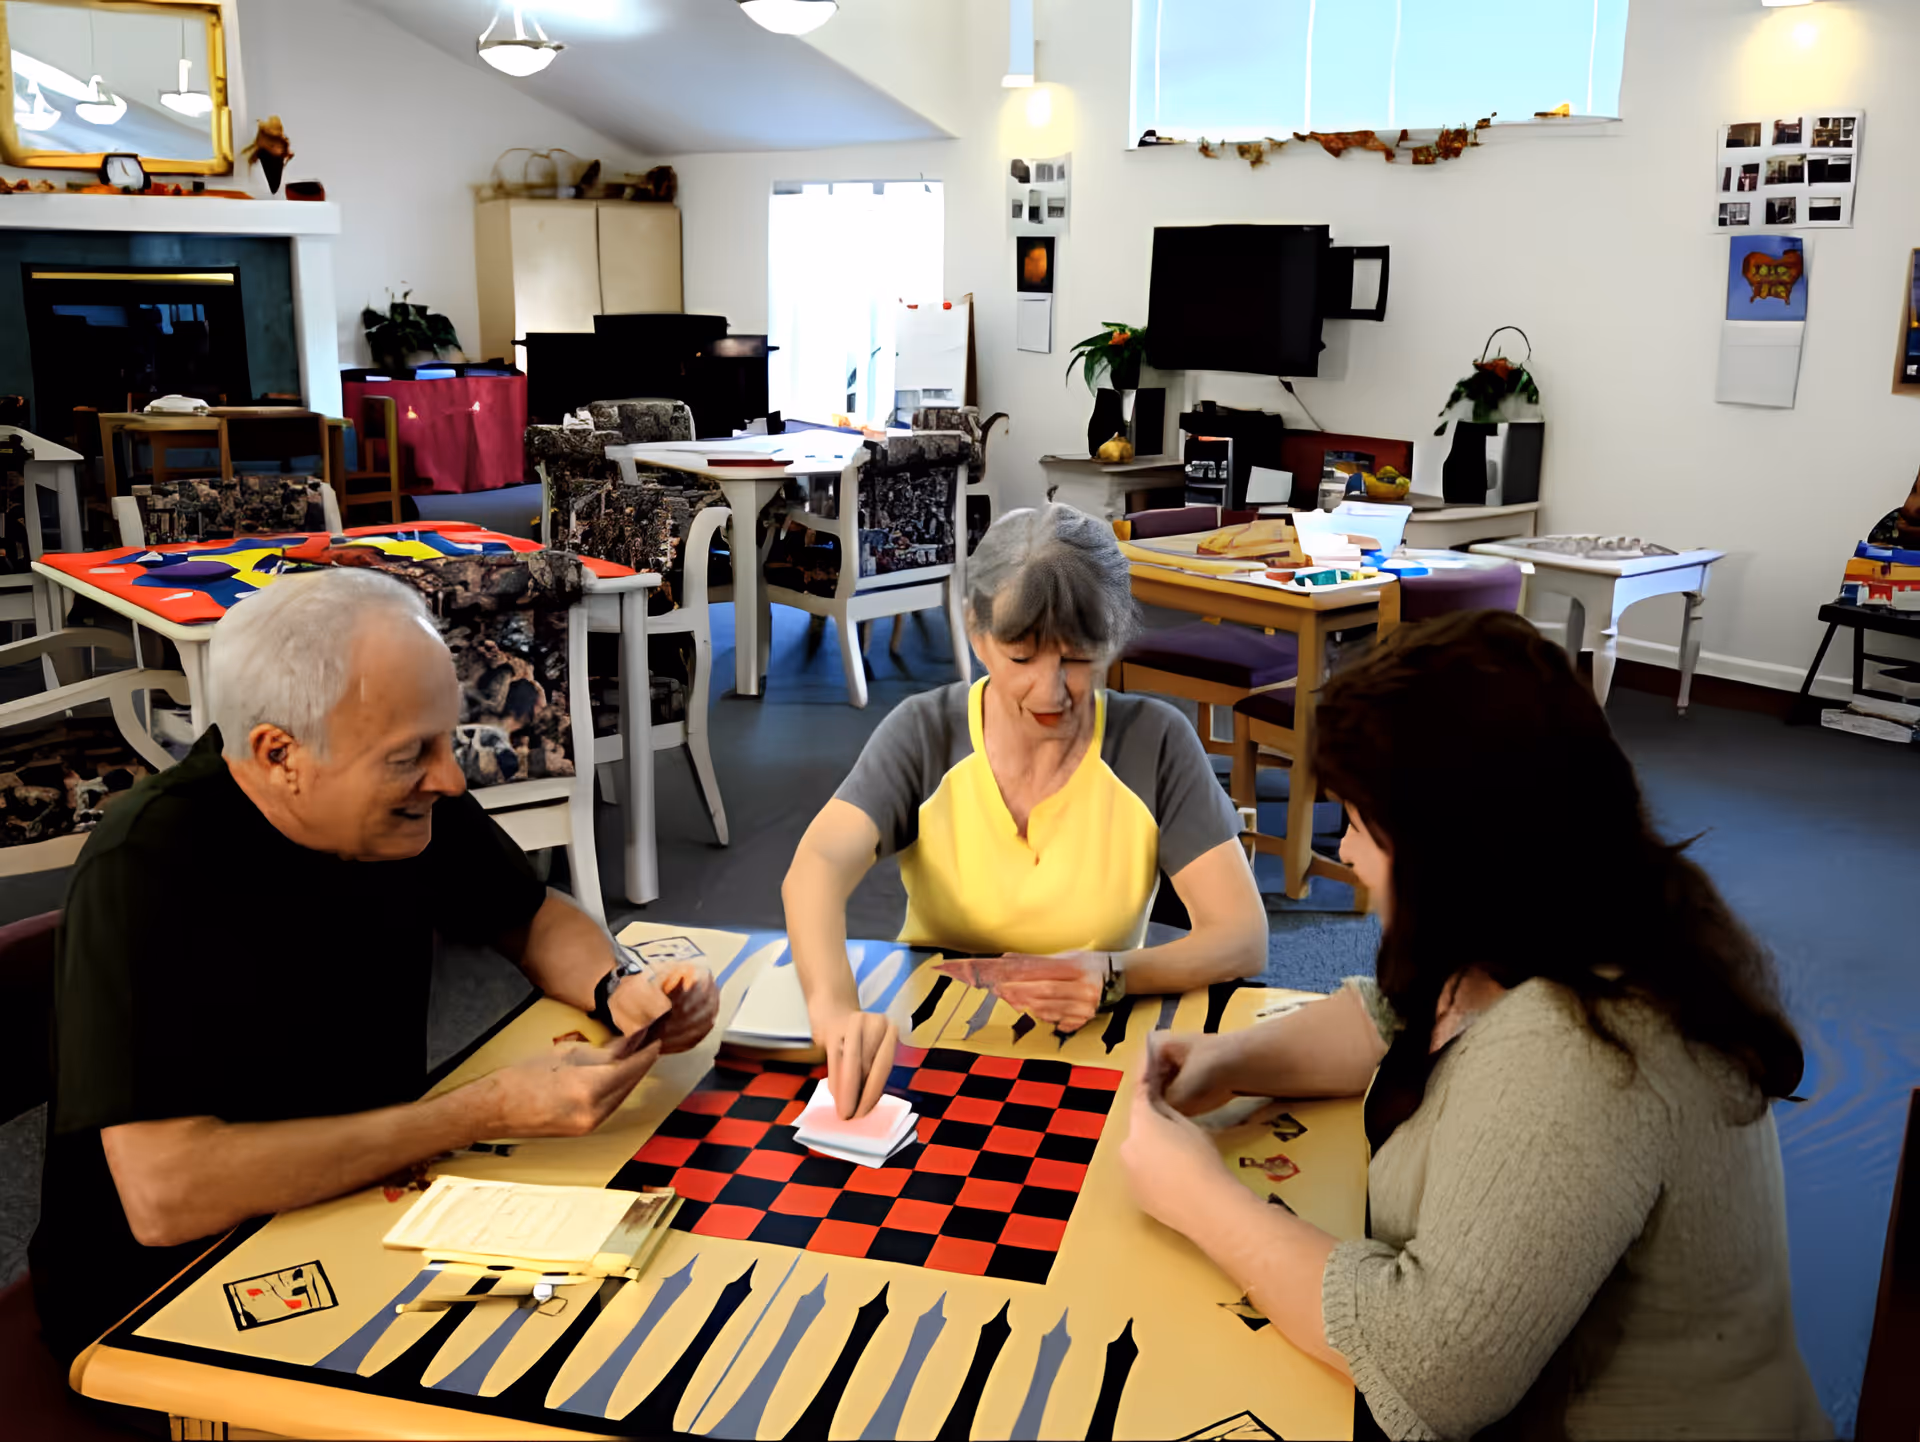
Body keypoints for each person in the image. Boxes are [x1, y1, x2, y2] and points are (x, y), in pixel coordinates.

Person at [1119, 610, 1830, 1440]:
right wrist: (1231, 1059)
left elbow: (1431, 1372)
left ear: (1453, 850)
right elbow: (1399, 1019)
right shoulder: (1556, 907)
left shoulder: (1583, 1050)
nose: (1345, 853)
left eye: (1358, 825)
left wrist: (1199, 1197)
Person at [30, 568, 718, 1364]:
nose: (451, 779)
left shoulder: (397, 796)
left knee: (634, 1320)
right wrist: (477, 1112)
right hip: (160, 1296)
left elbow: (530, 915)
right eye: (412, 756)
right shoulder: (145, 864)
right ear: (280, 753)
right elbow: (167, 1196)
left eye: (446, 740)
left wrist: (618, 985)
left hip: (366, 1201)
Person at [785, 503, 1267, 1117]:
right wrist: (833, 1008)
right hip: (932, 1045)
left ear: (1114, 638)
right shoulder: (923, 732)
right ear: (976, 633)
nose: (1052, 690)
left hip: (1094, 1044)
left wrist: (1114, 972)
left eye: (1077, 657)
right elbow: (818, 865)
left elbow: (1243, 937)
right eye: (1022, 657)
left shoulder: (1155, 742)